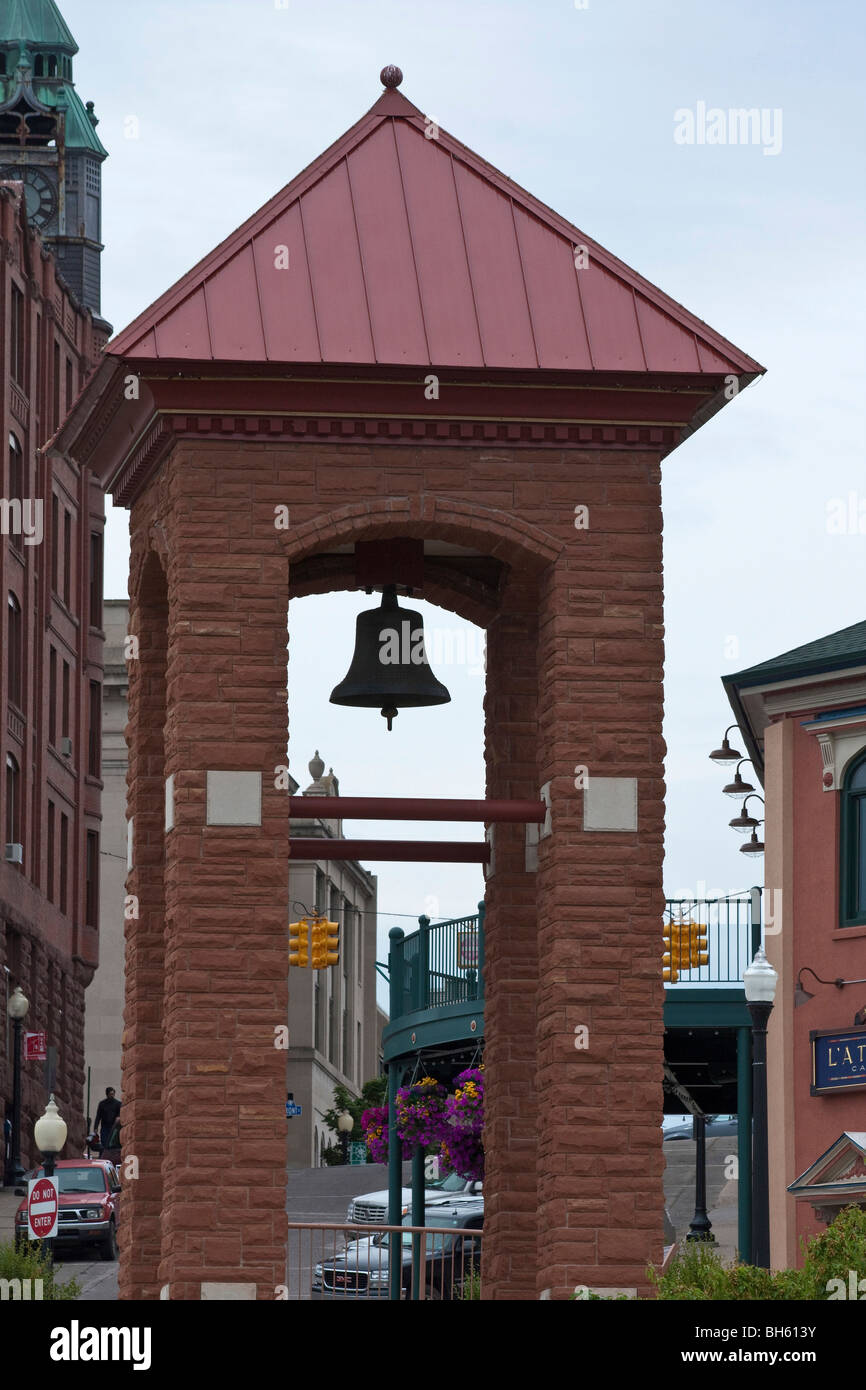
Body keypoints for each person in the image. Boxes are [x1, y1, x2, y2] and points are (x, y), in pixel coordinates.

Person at [94, 1088, 121, 1152]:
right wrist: (96, 1127)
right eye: (110, 1094)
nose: (112, 1096)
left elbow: (120, 1113)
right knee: (104, 1143)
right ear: (107, 1094)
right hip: (105, 1127)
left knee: (112, 1143)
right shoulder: (102, 1104)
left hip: (114, 1127)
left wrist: (118, 1117)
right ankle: (103, 1156)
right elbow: (98, 1116)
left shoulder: (118, 1104)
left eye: (113, 1094)